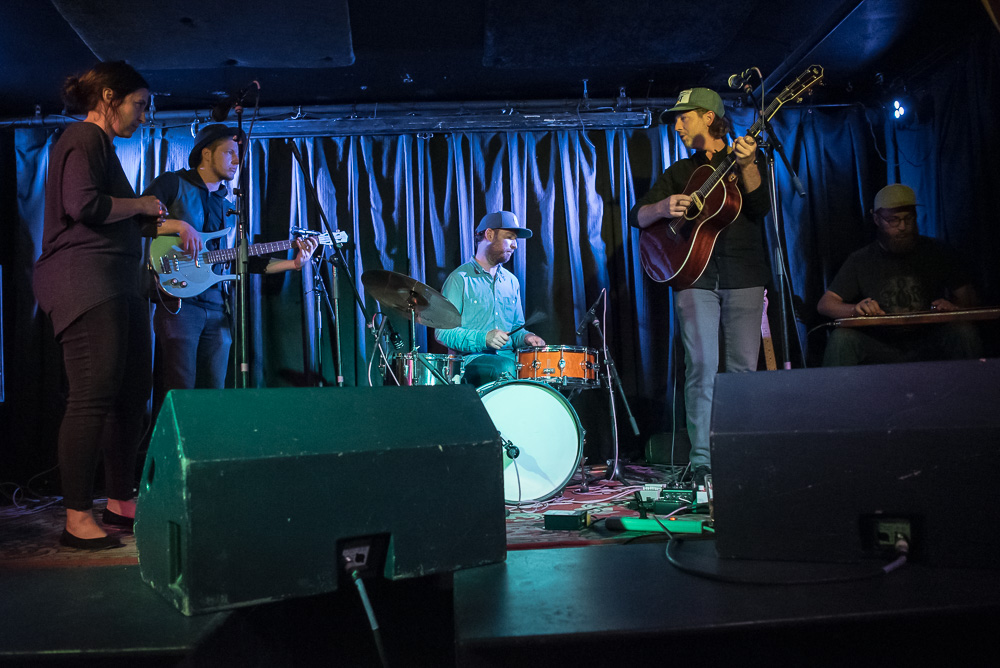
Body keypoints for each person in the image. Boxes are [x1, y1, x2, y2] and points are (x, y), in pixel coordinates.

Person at [33, 61, 164, 549]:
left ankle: (120, 502)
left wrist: (153, 216)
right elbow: (83, 205)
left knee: (132, 397)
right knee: (93, 396)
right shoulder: (82, 137)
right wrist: (145, 204)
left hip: (118, 282)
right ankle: (75, 518)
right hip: (85, 281)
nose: (143, 116)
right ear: (109, 97)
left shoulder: (102, 147)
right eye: (139, 104)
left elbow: (119, 215)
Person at [629, 88, 771, 487]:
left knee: (743, 370)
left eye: (683, 118)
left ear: (709, 118)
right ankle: (702, 461)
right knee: (703, 367)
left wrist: (749, 166)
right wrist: (661, 208)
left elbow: (760, 208)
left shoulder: (745, 157)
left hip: (744, 273)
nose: (676, 125)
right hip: (693, 279)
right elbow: (636, 216)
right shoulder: (679, 173)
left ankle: (740, 450)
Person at [144, 124, 318, 402]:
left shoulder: (228, 205)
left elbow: (242, 260)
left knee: (213, 396)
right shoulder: (173, 183)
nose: (237, 160)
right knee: (178, 391)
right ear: (206, 153)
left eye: (239, 154)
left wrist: (294, 264)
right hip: (178, 305)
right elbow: (138, 220)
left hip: (216, 308)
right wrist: (179, 226)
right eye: (229, 153)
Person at [817, 183, 983, 365]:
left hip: (929, 339)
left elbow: (969, 299)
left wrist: (954, 307)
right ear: (877, 219)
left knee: (963, 332)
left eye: (909, 219)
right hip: (881, 344)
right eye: (894, 220)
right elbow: (825, 304)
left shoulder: (937, 252)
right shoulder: (861, 259)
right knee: (842, 338)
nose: (903, 227)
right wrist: (854, 310)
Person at [436, 211, 545, 386]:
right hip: (470, 363)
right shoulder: (459, 279)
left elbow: (516, 329)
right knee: (504, 366)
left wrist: (527, 337)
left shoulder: (511, 282)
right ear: (489, 234)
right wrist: (483, 338)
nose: (515, 245)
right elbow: (442, 333)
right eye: (509, 237)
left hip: (509, 362)